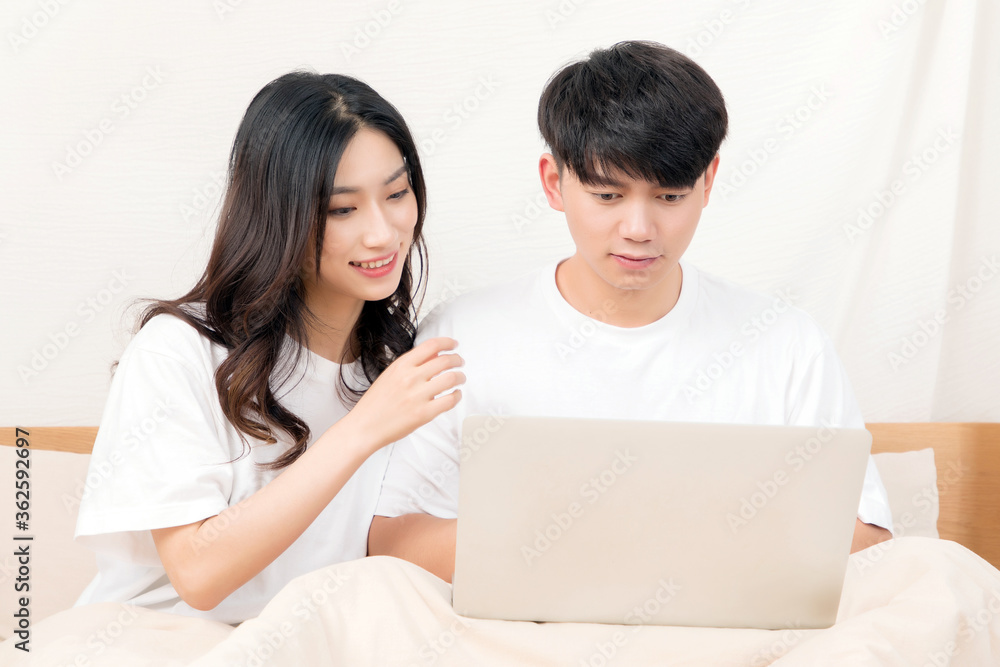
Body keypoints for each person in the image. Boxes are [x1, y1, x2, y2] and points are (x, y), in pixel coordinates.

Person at [367, 40, 894, 582]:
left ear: (708, 181)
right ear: (554, 183)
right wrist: (594, 548)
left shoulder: (785, 343)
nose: (639, 230)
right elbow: (393, 540)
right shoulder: (462, 338)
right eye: (608, 196)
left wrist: (648, 551)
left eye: (669, 197)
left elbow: (869, 538)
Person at [73, 71, 465, 623]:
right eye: (341, 209)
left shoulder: (396, 365)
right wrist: (362, 430)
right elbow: (199, 575)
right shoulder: (179, 352)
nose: (383, 233)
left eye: (397, 194)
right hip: (159, 642)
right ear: (276, 215)